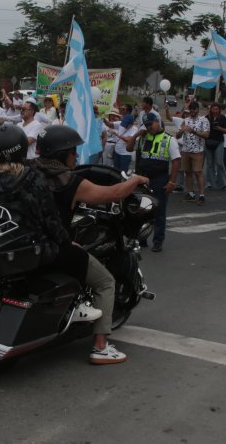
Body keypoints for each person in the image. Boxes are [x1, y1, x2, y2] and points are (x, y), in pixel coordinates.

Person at [30, 125, 149, 363]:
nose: (76, 156)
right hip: (56, 247)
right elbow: (112, 194)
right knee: (106, 282)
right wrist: (135, 179)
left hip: (31, 242)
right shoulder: (68, 182)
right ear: (61, 154)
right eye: (73, 151)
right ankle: (101, 347)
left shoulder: (29, 171)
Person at [0, 124, 100, 324]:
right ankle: (78, 304)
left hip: (1, 237)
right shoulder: (31, 176)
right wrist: (66, 241)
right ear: (20, 148)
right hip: (31, 242)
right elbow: (48, 215)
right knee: (77, 255)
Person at [133, 114, 180, 252]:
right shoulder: (142, 138)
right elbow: (130, 147)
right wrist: (136, 134)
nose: (149, 127)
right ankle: (142, 238)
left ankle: (158, 241)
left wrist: (172, 181)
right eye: (146, 125)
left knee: (159, 211)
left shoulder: (169, 139)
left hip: (160, 178)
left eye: (150, 124)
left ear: (157, 122)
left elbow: (176, 161)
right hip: (143, 178)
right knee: (142, 210)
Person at [176, 101, 209, 205]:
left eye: (194, 109)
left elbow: (206, 135)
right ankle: (191, 193)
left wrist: (193, 131)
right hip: (186, 150)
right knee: (188, 172)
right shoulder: (185, 120)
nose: (192, 111)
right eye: (191, 109)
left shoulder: (204, 120)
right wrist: (182, 130)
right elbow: (177, 136)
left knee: (198, 172)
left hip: (197, 151)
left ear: (198, 110)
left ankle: (202, 195)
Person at [203, 103, 226, 192]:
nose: (215, 111)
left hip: (219, 142)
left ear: (219, 110)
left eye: (216, 109)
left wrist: (219, 128)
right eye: (213, 109)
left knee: (219, 162)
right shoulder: (206, 118)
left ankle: (223, 183)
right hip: (208, 143)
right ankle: (210, 183)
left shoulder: (222, 118)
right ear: (211, 110)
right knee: (209, 164)